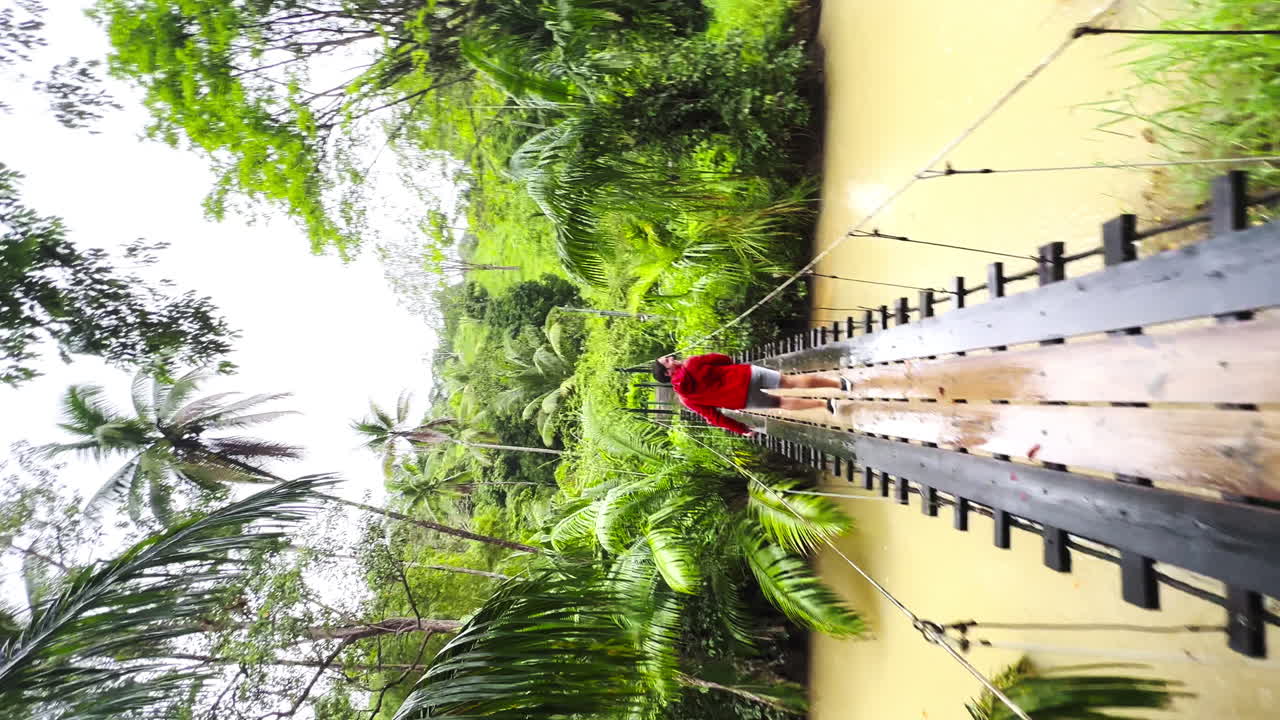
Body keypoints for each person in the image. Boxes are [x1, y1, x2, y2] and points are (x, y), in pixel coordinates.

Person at [653, 353, 848, 436]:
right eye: (667, 361)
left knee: (781, 403)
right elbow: (724, 359)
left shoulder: (687, 399)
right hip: (747, 375)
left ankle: (825, 405)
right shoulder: (692, 363)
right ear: (667, 373)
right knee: (790, 381)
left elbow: (714, 418)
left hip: (743, 399)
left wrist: (743, 429)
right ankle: (839, 384)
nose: (671, 358)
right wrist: (729, 369)